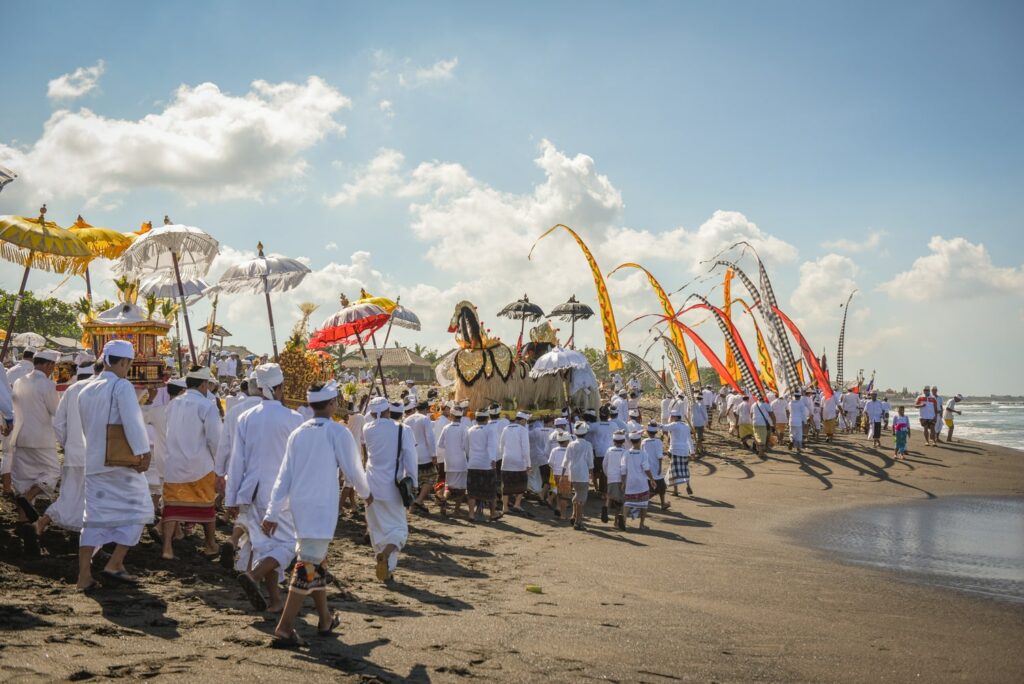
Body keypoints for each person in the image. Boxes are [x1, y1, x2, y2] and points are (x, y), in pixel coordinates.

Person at [263, 381, 370, 648]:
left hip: (301, 506)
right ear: (332, 404)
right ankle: (285, 627)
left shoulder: (298, 433)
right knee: (308, 563)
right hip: (321, 506)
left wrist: (272, 511)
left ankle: (324, 619)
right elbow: (353, 469)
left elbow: (283, 477)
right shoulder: (337, 432)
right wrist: (367, 493)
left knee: (316, 560)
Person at [76, 340, 154, 590]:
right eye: (128, 364)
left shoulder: (84, 389)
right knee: (141, 509)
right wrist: (144, 451)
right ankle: (115, 562)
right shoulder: (121, 386)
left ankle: (84, 576)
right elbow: (132, 422)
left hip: (94, 462)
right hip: (120, 464)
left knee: (93, 518)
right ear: (123, 362)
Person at [226, 363, 303, 613]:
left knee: (265, 546)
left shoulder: (246, 416)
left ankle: (276, 601)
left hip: (252, 490)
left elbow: (237, 461)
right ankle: (254, 576)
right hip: (281, 493)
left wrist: (232, 498)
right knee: (288, 545)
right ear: (280, 388)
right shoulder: (293, 418)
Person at [28, 361, 95, 545]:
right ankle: (44, 522)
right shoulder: (100, 389)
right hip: (96, 457)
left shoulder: (71, 390)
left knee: (71, 495)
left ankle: (44, 523)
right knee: (95, 499)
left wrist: (69, 444)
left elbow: (58, 424)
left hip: (74, 454)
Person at [162, 365, 221, 560]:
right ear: (204, 384)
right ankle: (211, 544)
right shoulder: (207, 406)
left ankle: (167, 548)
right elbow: (215, 440)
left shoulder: (174, 403)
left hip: (174, 463)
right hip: (200, 465)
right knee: (206, 505)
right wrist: (220, 465)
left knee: (171, 506)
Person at [363, 399, 417, 582]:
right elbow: (409, 456)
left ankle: (387, 568)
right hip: (393, 487)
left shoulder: (367, 430)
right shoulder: (402, 429)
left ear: (371, 414)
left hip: (370, 486)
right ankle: (386, 556)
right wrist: (413, 480)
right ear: (388, 411)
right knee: (399, 529)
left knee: (377, 528)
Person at [214, 371, 261, 566]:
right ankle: (251, 564)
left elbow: (224, 445)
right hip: (263, 473)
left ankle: (236, 546)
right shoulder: (276, 412)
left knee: (245, 513)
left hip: (237, 472)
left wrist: (219, 473)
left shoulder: (235, 412)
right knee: (259, 517)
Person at [8, 349, 60, 525]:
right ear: (49, 364)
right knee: (52, 473)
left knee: (23, 479)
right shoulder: (47, 384)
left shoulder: (18, 381)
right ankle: (29, 496)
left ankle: (24, 521)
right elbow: (56, 411)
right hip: (41, 439)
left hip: (20, 437)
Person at [466, 408, 500, 522]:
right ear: (487, 418)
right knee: (491, 489)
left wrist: (470, 457)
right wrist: (493, 459)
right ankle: (493, 513)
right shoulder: (489, 430)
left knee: (472, 490)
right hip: (486, 464)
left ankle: (471, 514)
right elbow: (491, 446)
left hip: (473, 463)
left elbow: (466, 447)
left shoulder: (470, 430)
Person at [559, 422, 594, 530]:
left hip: (572, 473)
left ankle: (574, 515)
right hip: (582, 474)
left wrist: (562, 474)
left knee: (577, 495)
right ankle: (578, 522)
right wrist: (591, 472)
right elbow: (590, 461)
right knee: (581, 500)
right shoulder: (587, 445)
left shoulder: (571, 444)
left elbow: (566, 460)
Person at [436, 405, 469, 518]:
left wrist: (450, 446)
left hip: (449, 461)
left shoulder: (446, 428)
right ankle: (456, 510)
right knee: (461, 487)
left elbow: (440, 444)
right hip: (461, 461)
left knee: (448, 486)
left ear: (451, 415)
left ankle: (444, 501)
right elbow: (466, 446)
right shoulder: (464, 428)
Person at [405, 401, 437, 515]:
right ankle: (418, 501)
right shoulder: (424, 419)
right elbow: (430, 437)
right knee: (431, 478)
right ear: (426, 408)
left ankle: (414, 506)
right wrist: (433, 454)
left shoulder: (407, 419)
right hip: (424, 454)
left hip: (412, 453)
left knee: (415, 480)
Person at [499, 412, 531, 514]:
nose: (526, 423)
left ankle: (505, 508)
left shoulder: (506, 428)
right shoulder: (523, 430)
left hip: (506, 459)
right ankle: (517, 504)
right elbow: (526, 448)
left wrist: (505, 455)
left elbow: (501, 445)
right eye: (525, 421)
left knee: (506, 484)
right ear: (522, 420)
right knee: (522, 483)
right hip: (519, 460)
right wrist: (528, 464)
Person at [622, 431, 654, 530]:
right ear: (639, 441)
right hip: (642, 483)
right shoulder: (643, 454)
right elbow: (646, 468)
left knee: (627, 503)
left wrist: (623, 482)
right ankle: (641, 524)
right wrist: (652, 479)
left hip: (630, 482)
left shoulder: (626, 453)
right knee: (644, 504)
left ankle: (623, 522)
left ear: (631, 442)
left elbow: (623, 469)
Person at [663, 409, 695, 495]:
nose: (671, 417)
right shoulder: (686, 425)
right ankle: (688, 485)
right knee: (684, 469)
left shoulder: (674, 425)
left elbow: (664, 427)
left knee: (674, 470)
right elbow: (689, 440)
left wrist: (654, 424)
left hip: (675, 450)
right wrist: (692, 451)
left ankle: (675, 490)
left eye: (672, 416)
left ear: (675, 417)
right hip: (684, 451)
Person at [603, 430, 627, 529]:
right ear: (623, 441)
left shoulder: (609, 450)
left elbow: (604, 464)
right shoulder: (625, 452)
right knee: (620, 500)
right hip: (620, 478)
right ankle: (616, 521)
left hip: (611, 477)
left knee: (610, 496)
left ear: (613, 441)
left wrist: (607, 474)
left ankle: (606, 510)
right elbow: (624, 467)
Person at [750, 395, 772, 459]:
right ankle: (761, 453)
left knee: (756, 436)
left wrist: (753, 421)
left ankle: (759, 450)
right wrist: (774, 422)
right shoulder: (766, 405)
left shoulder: (754, 404)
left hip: (755, 422)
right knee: (762, 439)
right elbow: (772, 414)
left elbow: (751, 414)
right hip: (762, 423)